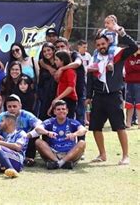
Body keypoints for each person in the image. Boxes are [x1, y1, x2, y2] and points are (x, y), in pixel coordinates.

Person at [86, 27, 138, 165]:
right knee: (95, 127)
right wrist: (88, 96)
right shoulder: (94, 57)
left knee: (119, 126)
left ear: (108, 42)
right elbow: (90, 77)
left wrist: (121, 32)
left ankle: (125, 156)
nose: (101, 47)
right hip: (98, 96)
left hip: (114, 96)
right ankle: (102, 155)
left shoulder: (117, 55)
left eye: (103, 44)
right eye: (98, 45)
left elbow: (133, 47)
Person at [33, 100, 87, 170]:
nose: (61, 111)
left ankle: (58, 164)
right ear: (54, 111)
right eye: (58, 109)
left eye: (63, 109)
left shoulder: (72, 122)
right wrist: (47, 132)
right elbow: (38, 128)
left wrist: (74, 134)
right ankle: (60, 162)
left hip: (69, 153)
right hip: (53, 153)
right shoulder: (50, 121)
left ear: (67, 111)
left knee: (82, 143)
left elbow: (84, 130)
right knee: (38, 142)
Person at [0, 94, 42, 166]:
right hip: (6, 144)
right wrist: (0, 140)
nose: (12, 109)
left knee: (37, 132)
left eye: (14, 106)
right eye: (9, 106)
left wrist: (28, 135)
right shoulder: (1, 117)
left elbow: (41, 125)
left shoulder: (26, 115)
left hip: (23, 144)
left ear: (20, 106)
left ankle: (27, 157)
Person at [54, 38, 86, 125]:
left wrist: (62, 68)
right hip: (65, 96)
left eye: (62, 46)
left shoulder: (75, 55)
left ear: (68, 46)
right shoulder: (58, 60)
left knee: (79, 119)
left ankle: (81, 139)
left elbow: (77, 63)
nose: (60, 48)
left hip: (78, 93)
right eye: (57, 47)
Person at [49, 51, 77, 118]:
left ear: (62, 61)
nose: (55, 62)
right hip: (61, 98)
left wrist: (58, 98)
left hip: (69, 99)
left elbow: (71, 87)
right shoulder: (60, 71)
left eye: (56, 60)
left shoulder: (70, 71)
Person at [37, 42, 58, 120]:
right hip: (45, 95)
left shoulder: (59, 63)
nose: (46, 53)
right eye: (44, 51)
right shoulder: (43, 64)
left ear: (53, 51)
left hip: (56, 94)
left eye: (48, 50)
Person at [124, 44, 140, 128]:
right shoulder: (128, 57)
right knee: (129, 104)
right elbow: (127, 69)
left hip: (139, 83)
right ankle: (128, 123)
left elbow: (131, 68)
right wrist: (136, 68)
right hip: (129, 83)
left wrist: (133, 67)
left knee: (139, 104)